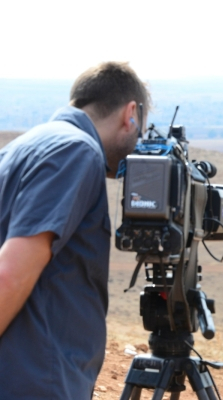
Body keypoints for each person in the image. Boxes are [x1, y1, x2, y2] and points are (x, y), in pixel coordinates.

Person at [0, 61, 149, 399]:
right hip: (35, 379)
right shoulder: (77, 151)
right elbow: (9, 274)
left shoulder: (20, 148)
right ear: (131, 114)